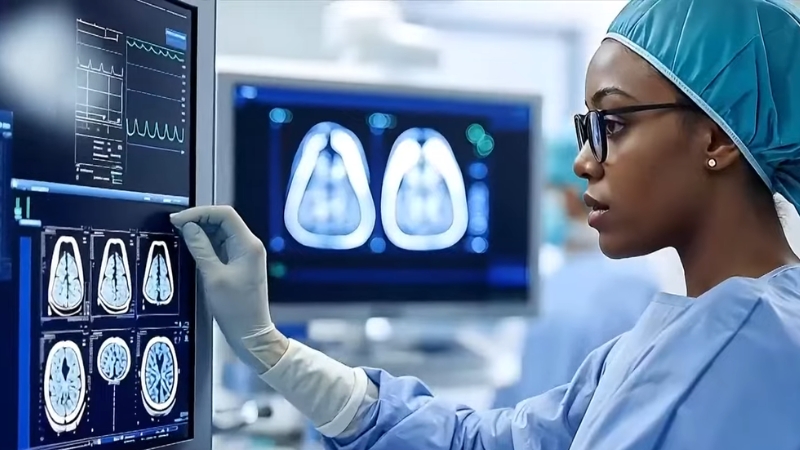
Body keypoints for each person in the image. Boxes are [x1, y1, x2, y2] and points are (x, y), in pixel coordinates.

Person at [172, 0, 800, 447]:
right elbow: (487, 441)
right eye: (588, 130)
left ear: (717, 137)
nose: (583, 161)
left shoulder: (741, 353)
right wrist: (273, 351)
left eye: (612, 124)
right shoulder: (673, 340)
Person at [492, 133, 657, 408]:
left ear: (568, 197)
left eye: (547, 191)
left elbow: (524, 418)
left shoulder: (559, 294)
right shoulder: (641, 281)